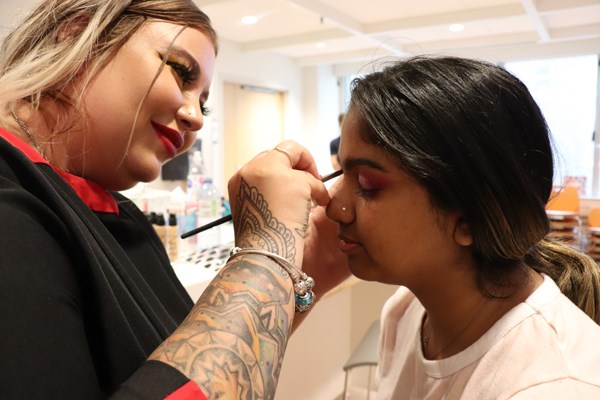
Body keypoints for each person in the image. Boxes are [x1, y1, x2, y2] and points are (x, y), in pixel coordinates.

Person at [0, 1, 345, 398]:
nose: (197, 117)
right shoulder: (11, 208)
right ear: (79, 35)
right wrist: (266, 253)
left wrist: (303, 270)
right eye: (181, 72)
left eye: (204, 102)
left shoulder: (122, 218)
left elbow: (193, 361)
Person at [235, 56, 600, 399]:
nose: (334, 207)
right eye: (340, 174)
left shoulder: (555, 386)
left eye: (368, 184)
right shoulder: (407, 310)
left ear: (471, 216)